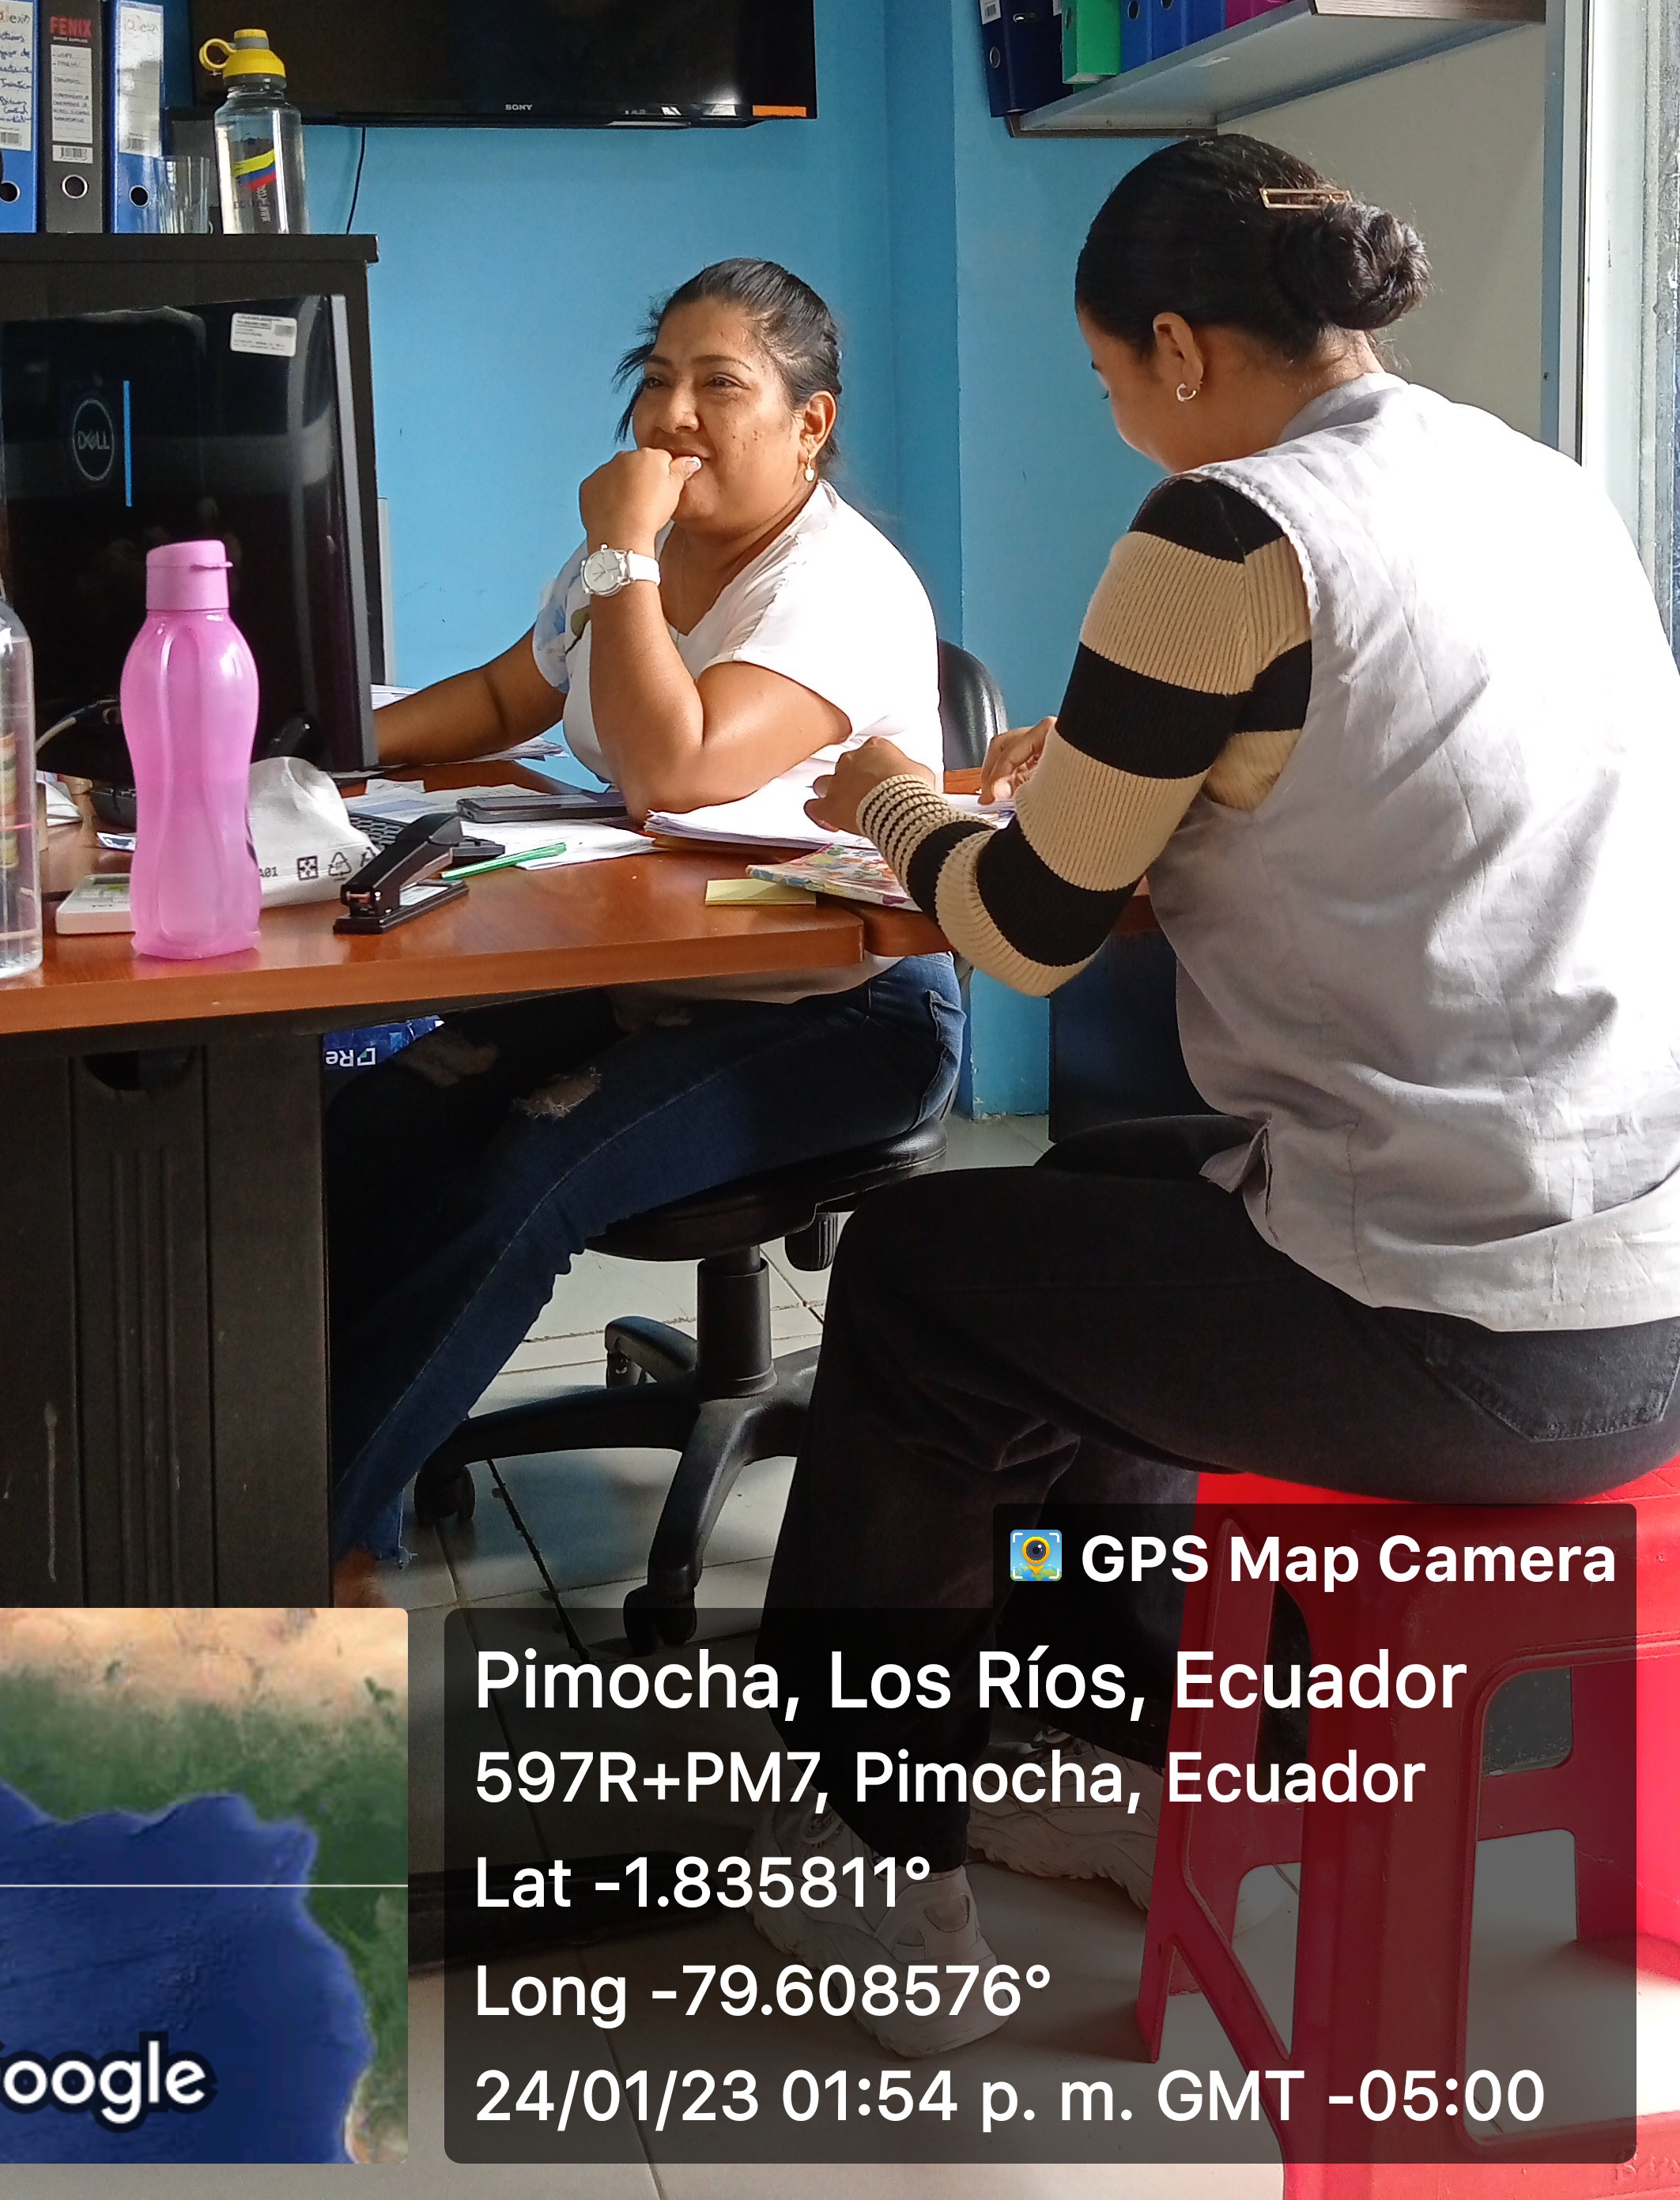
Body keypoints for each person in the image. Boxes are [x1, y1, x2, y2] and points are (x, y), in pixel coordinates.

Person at [747, 131, 1680, 2045]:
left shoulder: (1224, 530)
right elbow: (1407, 775)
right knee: (1114, 1195)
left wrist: (894, 798)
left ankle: (878, 1826)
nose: (1119, 419)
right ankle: (1121, 1739)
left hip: (1468, 1337)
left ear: (1177, 346)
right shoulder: (1544, 482)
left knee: (919, 1277)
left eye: (1109, 380)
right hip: (1646, 1280)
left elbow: (1027, 925)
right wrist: (1115, 768)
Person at [326, 258, 963, 1591]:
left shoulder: (831, 585)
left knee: (525, 1174)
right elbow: (503, 697)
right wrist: (312, 745)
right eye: (656, 380)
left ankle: (306, 1542)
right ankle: (340, 1494)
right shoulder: (634, 556)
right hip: (656, 977)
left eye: (717, 384)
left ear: (809, 421)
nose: (672, 415)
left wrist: (623, 554)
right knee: (373, 1127)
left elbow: (674, 770)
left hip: (837, 1009)